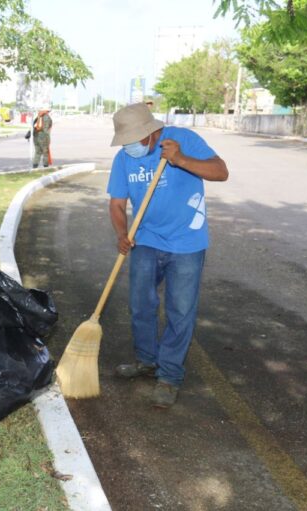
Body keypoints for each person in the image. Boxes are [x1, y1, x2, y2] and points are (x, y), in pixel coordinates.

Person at [107, 103, 228, 408]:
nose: (128, 147)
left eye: (133, 140)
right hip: (145, 239)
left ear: (151, 133)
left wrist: (180, 160)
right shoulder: (124, 157)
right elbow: (117, 204)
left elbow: (221, 172)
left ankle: (170, 376)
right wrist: (122, 234)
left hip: (187, 241)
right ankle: (147, 361)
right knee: (141, 304)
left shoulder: (181, 141)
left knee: (180, 310)